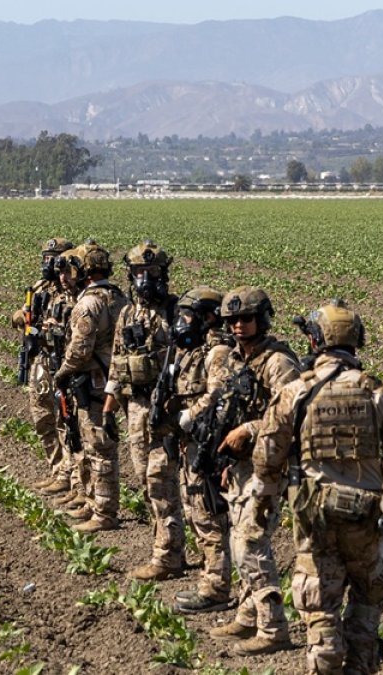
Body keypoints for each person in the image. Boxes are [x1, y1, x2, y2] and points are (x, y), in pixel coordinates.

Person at [253, 300, 383, 673]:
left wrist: (263, 503)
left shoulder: (296, 392)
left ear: (316, 341)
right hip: (366, 515)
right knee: (367, 597)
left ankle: (325, 663)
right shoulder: (377, 392)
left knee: (319, 604)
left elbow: (268, 455)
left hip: (314, 515)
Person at [209, 286, 300, 656]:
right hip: (244, 464)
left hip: (270, 466)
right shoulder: (236, 359)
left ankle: (274, 627)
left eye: (245, 319)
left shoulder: (278, 362)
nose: (237, 327)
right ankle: (248, 613)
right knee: (237, 538)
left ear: (261, 319)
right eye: (232, 321)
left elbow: (293, 417)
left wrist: (248, 430)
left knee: (250, 541)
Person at [101, 241, 183, 577]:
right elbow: (117, 365)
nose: (144, 278)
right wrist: (108, 409)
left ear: (162, 273)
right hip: (136, 408)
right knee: (144, 480)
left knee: (160, 481)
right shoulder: (128, 314)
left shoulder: (178, 312)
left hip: (167, 409)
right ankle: (164, 544)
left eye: (150, 272)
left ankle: (168, 557)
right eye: (138, 272)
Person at [163, 286, 235, 612]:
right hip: (191, 442)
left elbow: (217, 394)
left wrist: (188, 418)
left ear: (209, 317)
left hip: (206, 444)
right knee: (197, 514)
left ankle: (216, 588)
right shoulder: (195, 350)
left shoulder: (218, 352)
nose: (184, 321)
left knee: (209, 517)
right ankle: (210, 580)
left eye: (190, 315)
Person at [51, 241, 128, 533]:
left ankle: (105, 512)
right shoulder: (120, 298)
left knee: (99, 447)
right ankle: (95, 502)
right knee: (99, 444)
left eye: (71, 270)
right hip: (115, 380)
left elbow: (79, 351)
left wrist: (62, 373)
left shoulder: (88, 303)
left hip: (94, 382)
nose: (66, 277)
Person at [11, 238, 77, 496]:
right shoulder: (40, 287)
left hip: (58, 361)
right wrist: (22, 318)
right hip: (40, 359)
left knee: (64, 419)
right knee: (42, 417)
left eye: (53, 258)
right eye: (46, 258)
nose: (48, 264)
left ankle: (70, 475)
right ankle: (57, 469)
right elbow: (22, 315)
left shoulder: (70, 290)